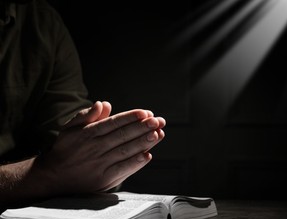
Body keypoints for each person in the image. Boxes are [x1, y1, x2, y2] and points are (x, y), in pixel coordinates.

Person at [0, 0, 166, 206]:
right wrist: (48, 175)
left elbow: (68, 144)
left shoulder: (42, 22)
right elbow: (59, 170)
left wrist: (99, 159)